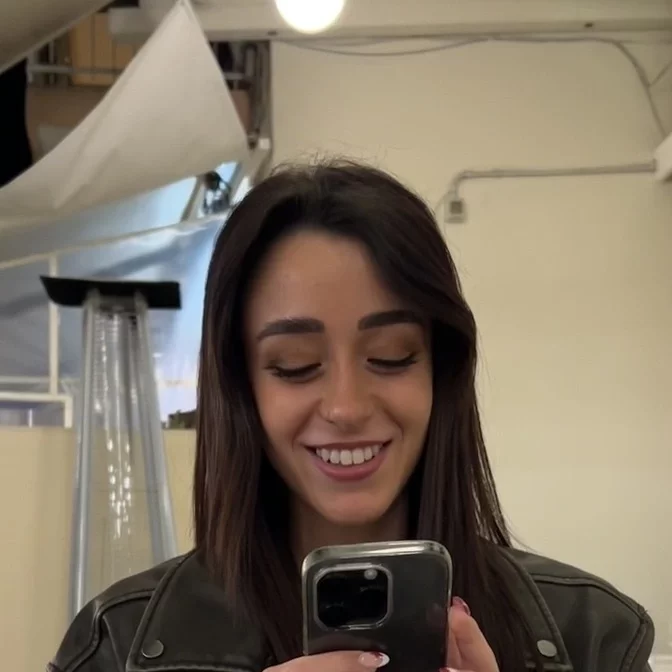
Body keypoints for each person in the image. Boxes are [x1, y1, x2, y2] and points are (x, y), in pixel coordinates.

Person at [49, 160, 654, 672]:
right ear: (242, 386)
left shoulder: (594, 635)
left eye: (391, 357)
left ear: (440, 371)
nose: (346, 407)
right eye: (294, 365)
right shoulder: (115, 645)